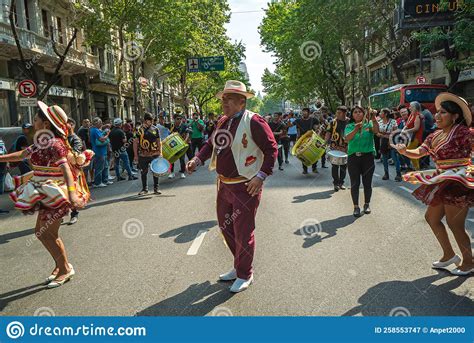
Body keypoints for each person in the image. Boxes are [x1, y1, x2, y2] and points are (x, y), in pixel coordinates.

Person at [186, 80, 277, 293]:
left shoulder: (254, 121)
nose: (223, 103)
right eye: (223, 99)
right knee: (226, 227)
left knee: (243, 230)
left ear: (242, 102)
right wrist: (197, 160)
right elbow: (210, 144)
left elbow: (271, 149)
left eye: (228, 99)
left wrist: (261, 176)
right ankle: (239, 266)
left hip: (246, 186)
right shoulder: (222, 121)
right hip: (224, 184)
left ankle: (246, 273)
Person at [1, 102, 93, 288]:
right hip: (46, 192)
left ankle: (65, 268)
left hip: (55, 195)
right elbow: (22, 155)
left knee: (47, 234)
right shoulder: (42, 142)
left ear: (46, 124)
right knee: (44, 233)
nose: (32, 122)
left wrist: (72, 195)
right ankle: (60, 266)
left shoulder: (55, 144)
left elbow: (66, 169)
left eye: (35, 119)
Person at [394, 93, 473, 276]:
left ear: (455, 116)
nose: (437, 116)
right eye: (437, 112)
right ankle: (449, 255)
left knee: (455, 224)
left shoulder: (463, 132)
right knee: (432, 218)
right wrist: (405, 151)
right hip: (441, 179)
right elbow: (420, 152)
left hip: (458, 181)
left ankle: (469, 262)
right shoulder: (434, 135)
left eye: (443, 112)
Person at [344, 106, 380, 217]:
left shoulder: (368, 125)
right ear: (352, 115)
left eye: (360, 112)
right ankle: (356, 207)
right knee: (355, 183)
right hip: (353, 158)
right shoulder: (349, 126)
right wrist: (355, 129)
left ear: (364, 114)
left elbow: (376, 131)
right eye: (355, 112)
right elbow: (347, 139)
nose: (358, 114)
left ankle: (366, 204)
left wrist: (373, 118)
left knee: (367, 183)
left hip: (367, 158)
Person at [133, 112, 162, 195]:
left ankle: (156, 188)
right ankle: (144, 189)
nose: (152, 122)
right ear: (145, 120)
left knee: (155, 171)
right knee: (143, 172)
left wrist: (160, 152)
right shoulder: (138, 130)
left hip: (154, 154)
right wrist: (135, 155)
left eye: (152, 120)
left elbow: (158, 141)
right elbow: (135, 143)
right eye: (150, 120)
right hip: (143, 155)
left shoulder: (155, 129)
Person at [325, 106, 349, 191]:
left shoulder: (350, 122)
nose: (337, 114)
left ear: (344, 113)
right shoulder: (332, 122)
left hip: (346, 148)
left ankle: (341, 183)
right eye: (337, 113)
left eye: (339, 113)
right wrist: (325, 142)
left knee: (343, 166)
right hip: (334, 147)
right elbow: (328, 133)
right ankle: (335, 183)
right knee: (335, 166)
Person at [66, 118, 84, 225]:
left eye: (66, 124)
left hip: (72, 171)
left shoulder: (76, 139)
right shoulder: (61, 138)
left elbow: (76, 153)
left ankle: (74, 213)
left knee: (72, 191)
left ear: (72, 125)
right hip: (60, 170)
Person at [376, 108, 402, 182]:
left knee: (395, 158)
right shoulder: (379, 122)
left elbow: (396, 132)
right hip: (383, 142)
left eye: (381, 112)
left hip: (392, 141)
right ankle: (386, 174)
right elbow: (377, 133)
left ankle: (398, 174)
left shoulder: (393, 121)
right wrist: (382, 135)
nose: (380, 113)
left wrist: (387, 137)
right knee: (384, 159)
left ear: (386, 114)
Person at [291, 108, 318, 174]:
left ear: (308, 113)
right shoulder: (298, 120)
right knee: (303, 154)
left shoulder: (313, 119)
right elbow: (290, 125)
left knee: (314, 154)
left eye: (305, 112)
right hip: (302, 140)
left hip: (312, 139)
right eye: (303, 112)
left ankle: (314, 168)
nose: (304, 113)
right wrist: (288, 119)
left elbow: (317, 127)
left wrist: (317, 128)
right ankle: (305, 169)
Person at [90, 117, 111, 188]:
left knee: (105, 166)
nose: (102, 124)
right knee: (99, 167)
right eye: (100, 122)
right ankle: (98, 182)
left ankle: (105, 180)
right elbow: (101, 139)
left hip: (102, 151)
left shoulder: (95, 129)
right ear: (97, 123)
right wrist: (107, 134)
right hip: (99, 151)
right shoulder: (95, 130)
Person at [403, 101, 424, 170]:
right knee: (412, 153)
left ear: (414, 108)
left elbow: (416, 128)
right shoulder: (412, 115)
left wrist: (406, 131)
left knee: (410, 152)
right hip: (411, 137)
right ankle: (416, 168)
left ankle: (417, 169)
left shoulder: (417, 115)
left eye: (410, 107)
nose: (409, 108)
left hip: (415, 137)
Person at [168, 114, 189, 179]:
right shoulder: (171, 126)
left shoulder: (184, 125)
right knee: (171, 159)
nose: (179, 120)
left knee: (182, 159)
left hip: (181, 145)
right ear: (174, 119)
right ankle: (172, 172)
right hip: (173, 145)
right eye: (177, 119)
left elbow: (188, 133)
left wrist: (185, 141)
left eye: (180, 119)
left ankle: (182, 172)